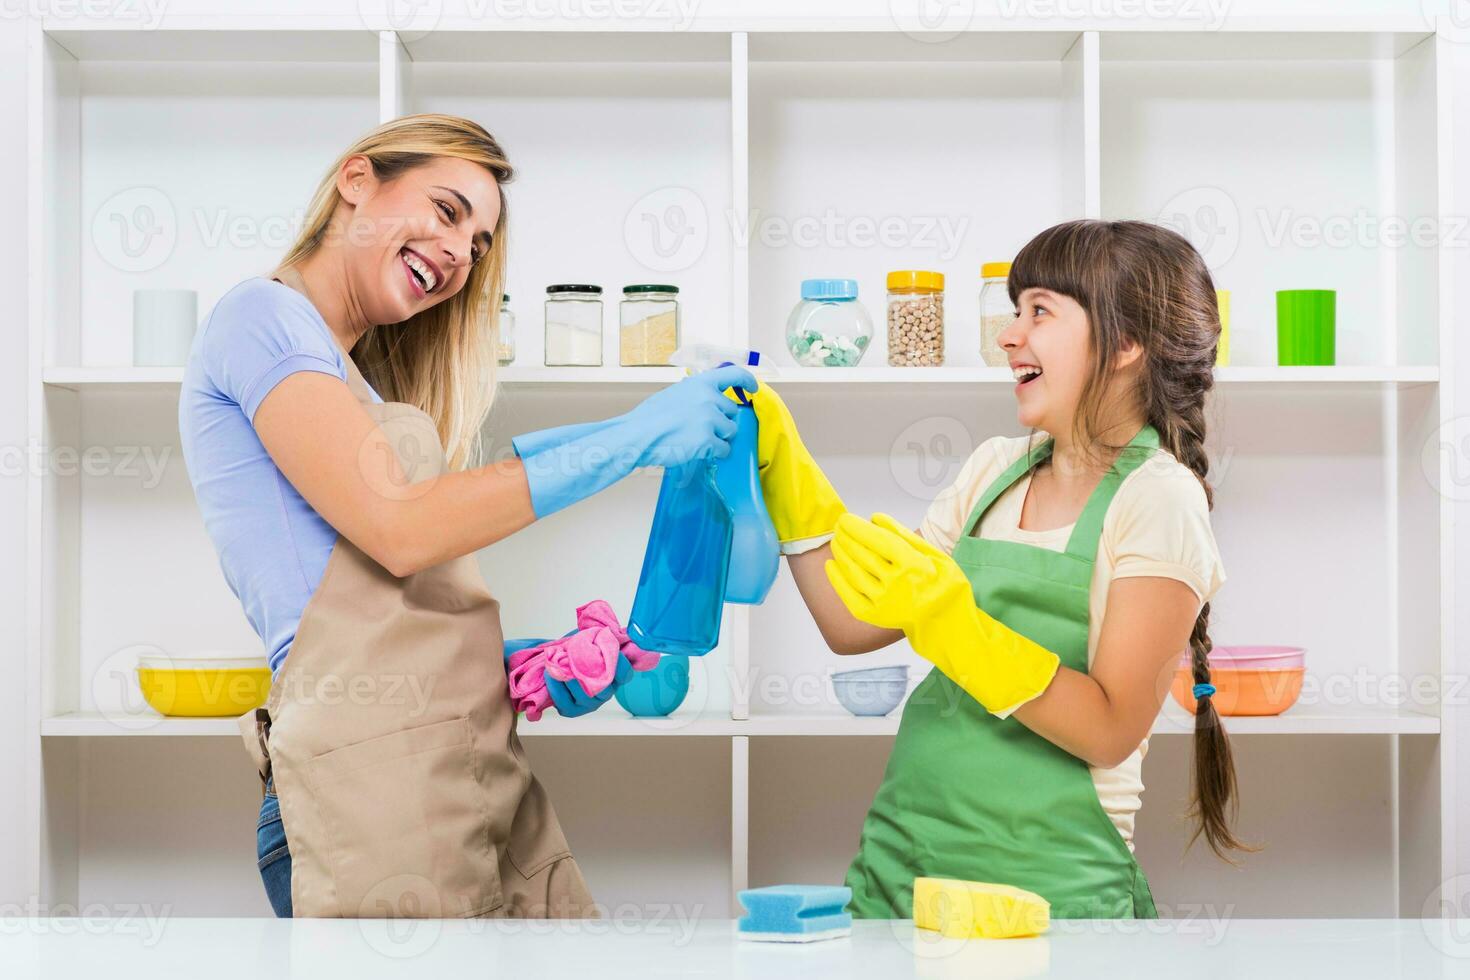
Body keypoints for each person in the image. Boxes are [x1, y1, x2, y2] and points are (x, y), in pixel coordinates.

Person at [177, 114, 755, 918]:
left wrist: (518, 665)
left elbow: (377, 605)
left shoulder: (356, 383)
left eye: (479, 244)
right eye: (449, 212)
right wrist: (634, 438)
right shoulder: (261, 321)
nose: (460, 253)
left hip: (467, 772)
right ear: (357, 180)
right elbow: (400, 527)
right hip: (370, 796)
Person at [749, 219, 1246, 918]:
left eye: (1039, 311)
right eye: (1015, 313)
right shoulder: (994, 470)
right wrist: (780, 465)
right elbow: (852, 622)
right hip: (903, 876)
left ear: (1128, 342)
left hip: (1053, 905)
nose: (1009, 336)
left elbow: (1110, 728)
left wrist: (954, 627)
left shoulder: (1159, 500)